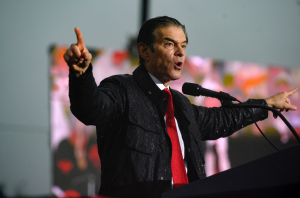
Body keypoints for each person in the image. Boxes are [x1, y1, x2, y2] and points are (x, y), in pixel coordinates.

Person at [63, 16, 298, 198]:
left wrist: (267, 104)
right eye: (169, 44)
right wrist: (81, 73)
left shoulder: (181, 104)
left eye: (183, 45)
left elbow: (221, 120)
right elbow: (91, 108)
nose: (181, 52)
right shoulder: (121, 89)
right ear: (145, 50)